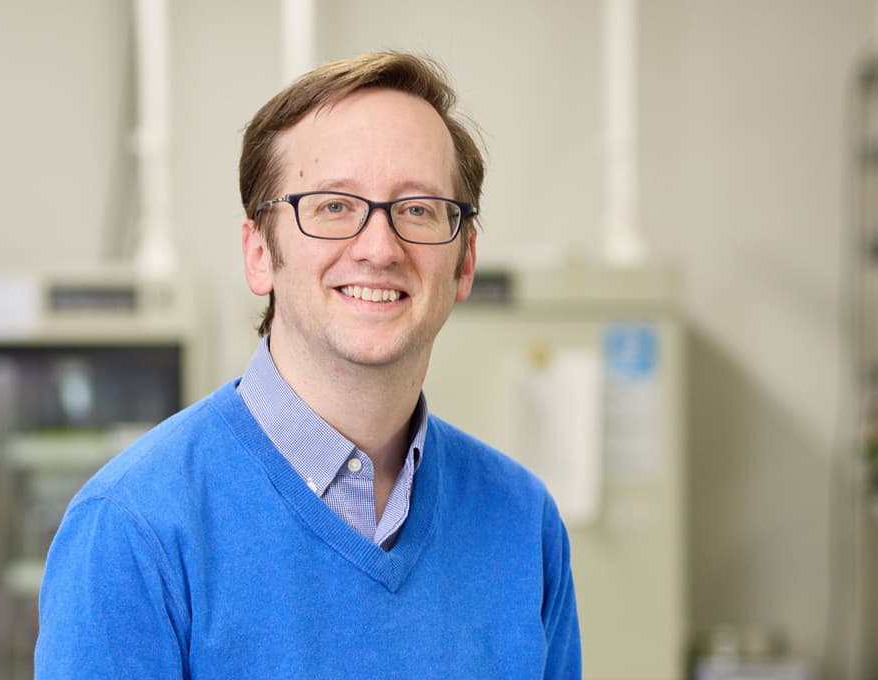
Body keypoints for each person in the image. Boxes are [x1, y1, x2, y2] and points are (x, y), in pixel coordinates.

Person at [35, 51, 581, 679]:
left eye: (419, 208)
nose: (380, 248)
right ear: (258, 254)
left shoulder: (522, 522)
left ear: (464, 263)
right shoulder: (133, 529)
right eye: (333, 206)